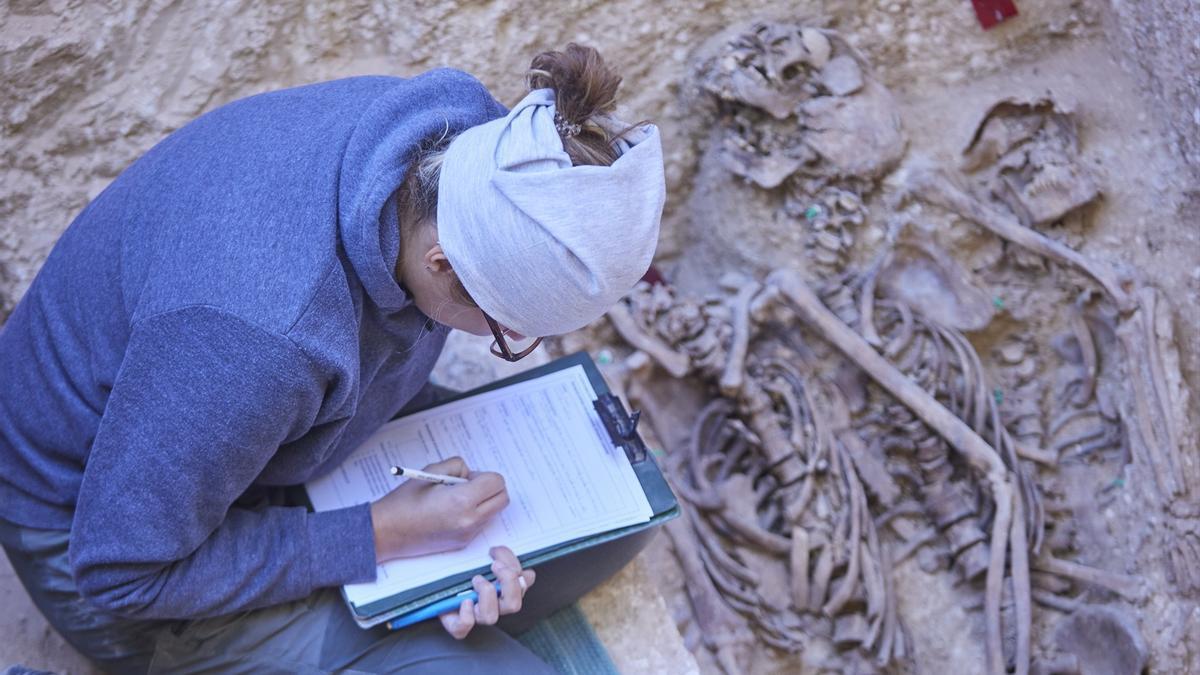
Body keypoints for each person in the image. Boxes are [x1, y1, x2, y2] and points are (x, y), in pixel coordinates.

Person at [0, 42, 665, 674]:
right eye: (507, 330)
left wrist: (415, 544)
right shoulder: (260, 337)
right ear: (443, 266)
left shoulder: (457, 151)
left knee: (619, 520)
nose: (518, 345)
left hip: (222, 436)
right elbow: (121, 571)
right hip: (89, 528)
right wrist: (376, 536)